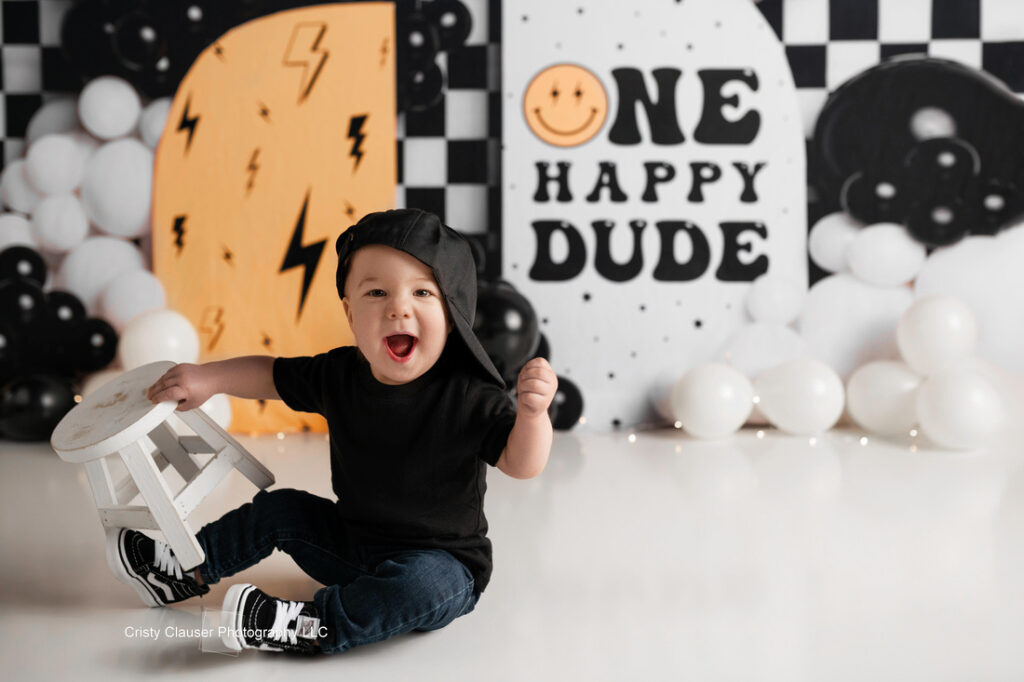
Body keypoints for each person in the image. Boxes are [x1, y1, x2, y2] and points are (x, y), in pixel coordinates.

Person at [105, 208, 557, 654]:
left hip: (443, 563)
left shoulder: (467, 394)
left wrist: (533, 417)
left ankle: (309, 625)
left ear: (453, 314)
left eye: (423, 293)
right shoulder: (341, 374)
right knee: (281, 510)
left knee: (423, 585)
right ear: (349, 311)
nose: (399, 308)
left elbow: (521, 464)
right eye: (377, 292)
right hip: (352, 545)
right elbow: (272, 375)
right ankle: (183, 570)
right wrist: (210, 378)